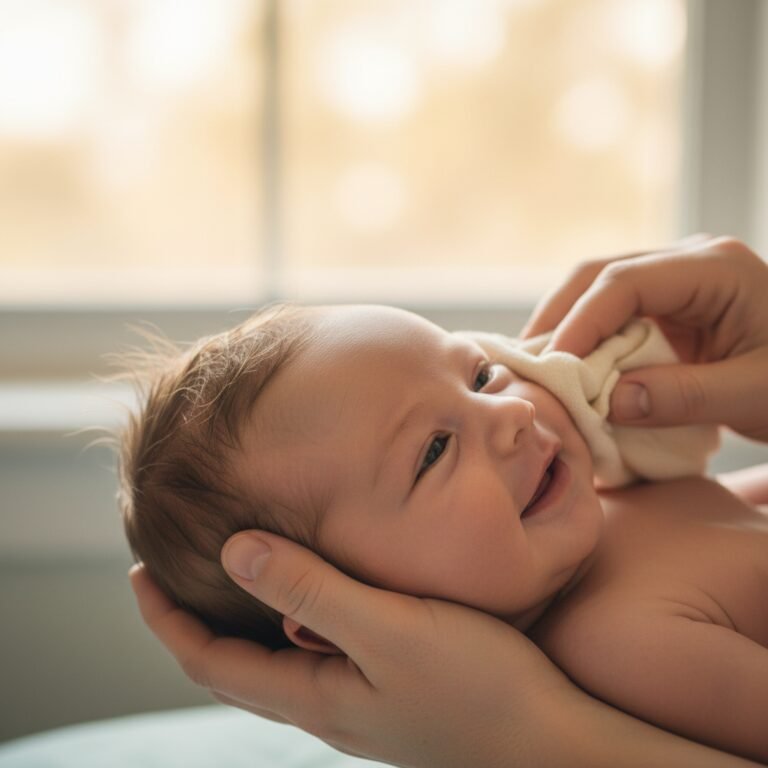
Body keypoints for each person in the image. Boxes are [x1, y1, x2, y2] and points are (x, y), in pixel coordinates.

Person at [129, 235, 768, 768]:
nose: (513, 411)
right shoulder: (620, 646)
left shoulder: (614, 503)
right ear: (344, 616)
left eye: (481, 375)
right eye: (434, 451)